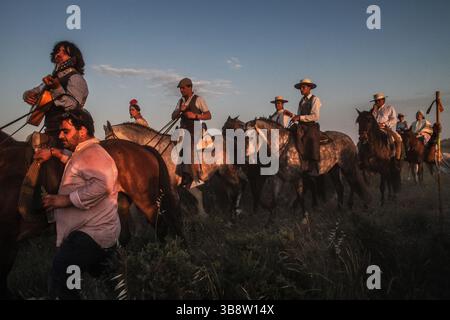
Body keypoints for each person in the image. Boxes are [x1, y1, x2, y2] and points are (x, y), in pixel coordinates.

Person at [37, 109, 121, 299]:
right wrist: (57, 154)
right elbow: (80, 167)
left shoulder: (94, 154)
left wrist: (65, 200)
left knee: (62, 272)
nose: (60, 135)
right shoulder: (84, 153)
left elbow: (103, 184)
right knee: (101, 279)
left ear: (82, 131)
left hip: (92, 234)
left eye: (65, 131)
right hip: (93, 232)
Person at [19, 41, 89, 220]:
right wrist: (28, 94)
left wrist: (57, 88)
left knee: (56, 166)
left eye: (63, 53)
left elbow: (74, 104)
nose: (58, 54)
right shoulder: (51, 78)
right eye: (57, 52)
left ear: (73, 58)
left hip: (67, 132)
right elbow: (34, 91)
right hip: (50, 129)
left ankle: (58, 208)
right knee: (30, 146)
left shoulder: (76, 79)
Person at [291, 78, 322, 176]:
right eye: (300, 87)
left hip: (310, 125)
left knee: (311, 138)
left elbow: (315, 116)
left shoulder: (315, 99)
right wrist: (295, 118)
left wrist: (300, 117)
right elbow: (299, 115)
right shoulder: (301, 101)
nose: (301, 89)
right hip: (301, 125)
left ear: (309, 88)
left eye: (303, 87)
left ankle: (313, 163)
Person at [370, 92, 403, 162]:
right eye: (376, 101)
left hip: (385, 129)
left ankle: (395, 156)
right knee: (363, 140)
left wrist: (385, 124)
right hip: (374, 130)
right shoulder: (373, 111)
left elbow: (394, 119)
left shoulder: (389, 108)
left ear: (383, 100)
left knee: (395, 139)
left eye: (379, 100)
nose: (377, 102)